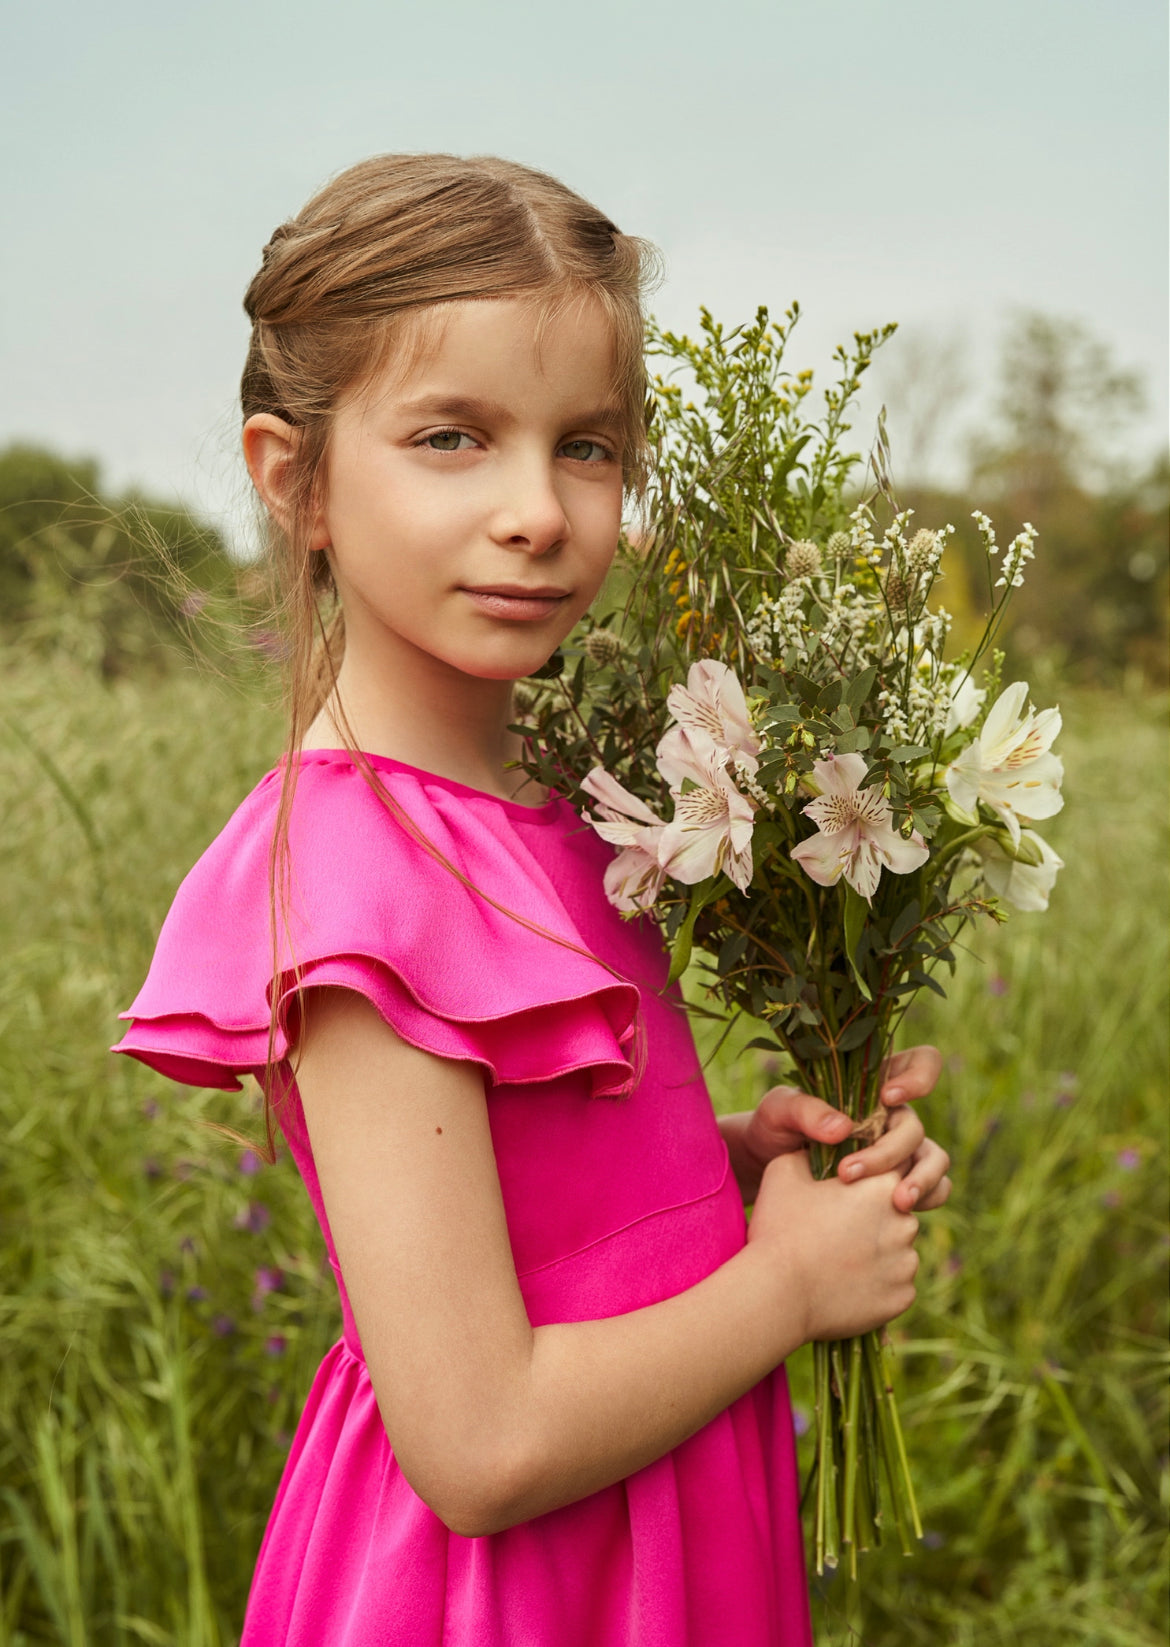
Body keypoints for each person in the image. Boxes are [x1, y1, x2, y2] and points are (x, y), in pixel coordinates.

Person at [113, 154, 952, 1647]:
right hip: (506, 1593)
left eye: (587, 447)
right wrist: (783, 1289)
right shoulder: (363, 882)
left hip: (657, 1512)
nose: (536, 511)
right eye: (451, 437)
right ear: (290, 476)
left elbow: (541, 1196)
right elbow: (481, 1443)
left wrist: (732, 1165)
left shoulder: (556, 812)